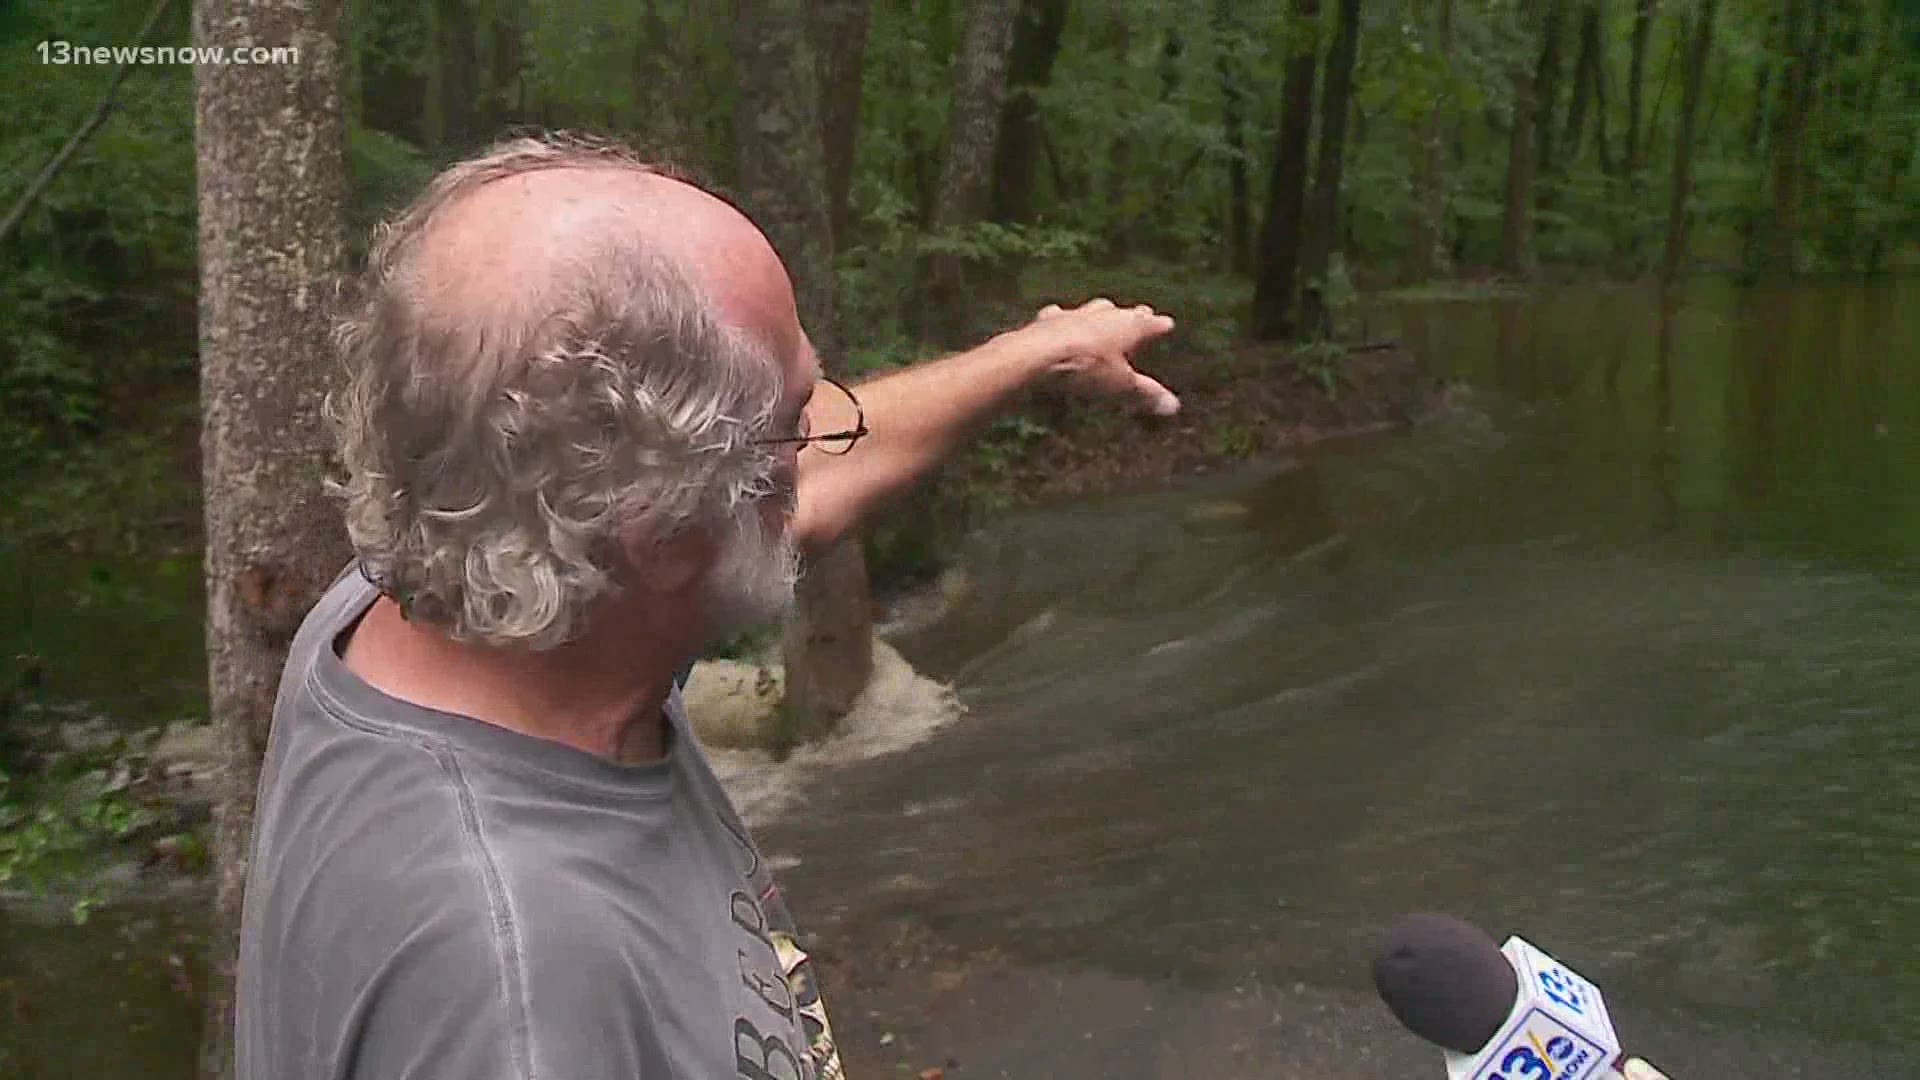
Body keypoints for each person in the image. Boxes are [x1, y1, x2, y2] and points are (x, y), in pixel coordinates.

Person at [234, 133, 1177, 1080]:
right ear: (666, 535)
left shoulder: (446, 583)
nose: (816, 442)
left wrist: (1036, 355)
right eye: (795, 412)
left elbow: (781, 493)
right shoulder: (523, 998)